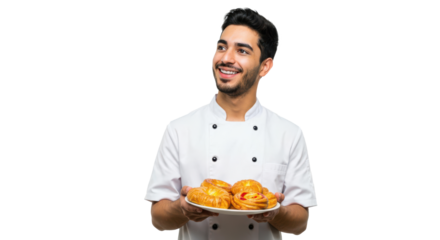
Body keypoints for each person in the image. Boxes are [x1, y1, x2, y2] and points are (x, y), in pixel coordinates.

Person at [143, 7, 319, 239]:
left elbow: (300, 224)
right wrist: (181, 208)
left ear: (265, 67)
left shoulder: (290, 133)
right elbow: (157, 219)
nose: (226, 58)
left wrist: (275, 212)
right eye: (221, 47)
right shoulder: (178, 129)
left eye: (242, 51)